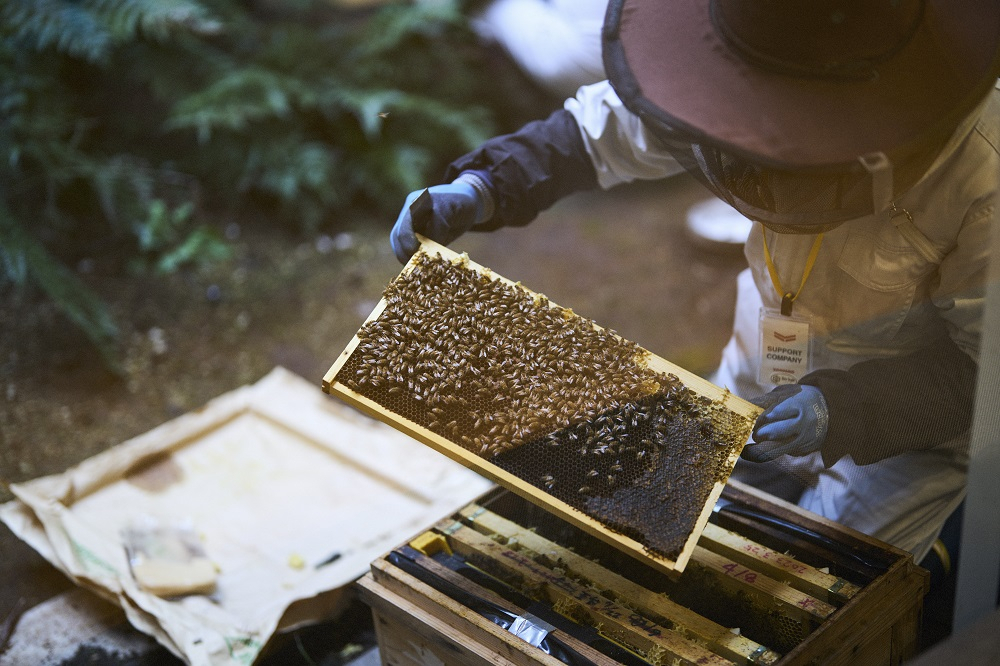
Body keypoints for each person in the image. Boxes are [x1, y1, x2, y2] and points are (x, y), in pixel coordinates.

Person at [389, 0, 1000, 565]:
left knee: (823, 582)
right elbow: (598, 133)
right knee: (683, 528)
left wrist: (845, 405)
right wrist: (483, 186)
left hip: (903, 434)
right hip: (760, 356)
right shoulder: (734, 73)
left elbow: (986, 373)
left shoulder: (983, 176)